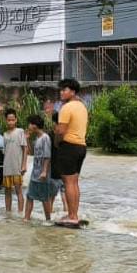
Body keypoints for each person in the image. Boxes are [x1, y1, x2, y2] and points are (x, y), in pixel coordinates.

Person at [54, 78, 87, 224]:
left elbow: (61, 131)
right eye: (61, 90)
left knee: (68, 182)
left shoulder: (66, 108)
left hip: (69, 146)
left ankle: (72, 216)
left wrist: (56, 143)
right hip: (81, 146)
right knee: (74, 182)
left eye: (64, 90)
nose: (61, 92)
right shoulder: (82, 106)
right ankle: (74, 214)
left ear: (72, 91)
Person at [24, 115, 56, 222]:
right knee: (29, 196)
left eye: (30, 124)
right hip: (35, 173)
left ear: (35, 125)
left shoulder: (45, 138)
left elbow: (47, 156)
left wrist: (44, 171)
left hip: (42, 174)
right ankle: (26, 218)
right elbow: (32, 153)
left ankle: (48, 220)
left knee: (44, 198)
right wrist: (27, 140)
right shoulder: (37, 139)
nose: (28, 126)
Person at [1, 108, 28, 213]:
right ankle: (8, 212)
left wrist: (24, 165)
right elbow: (5, 151)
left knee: (18, 191)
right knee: (7, 191)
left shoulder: (20, 132)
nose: (11, 122)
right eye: (8, 120)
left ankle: (20, 213)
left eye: (12, 120)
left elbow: (25, 148)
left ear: (16, 120)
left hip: (17, 167)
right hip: (7, 167)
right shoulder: (5, 134)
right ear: (6, 120)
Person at [49, 111, 68, 215]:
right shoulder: (67, 133)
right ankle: (67, 213)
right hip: (66, 170)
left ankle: (49, 215)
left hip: (55, 170)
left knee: (52, 195)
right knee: (64, 194)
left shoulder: (51, 135)